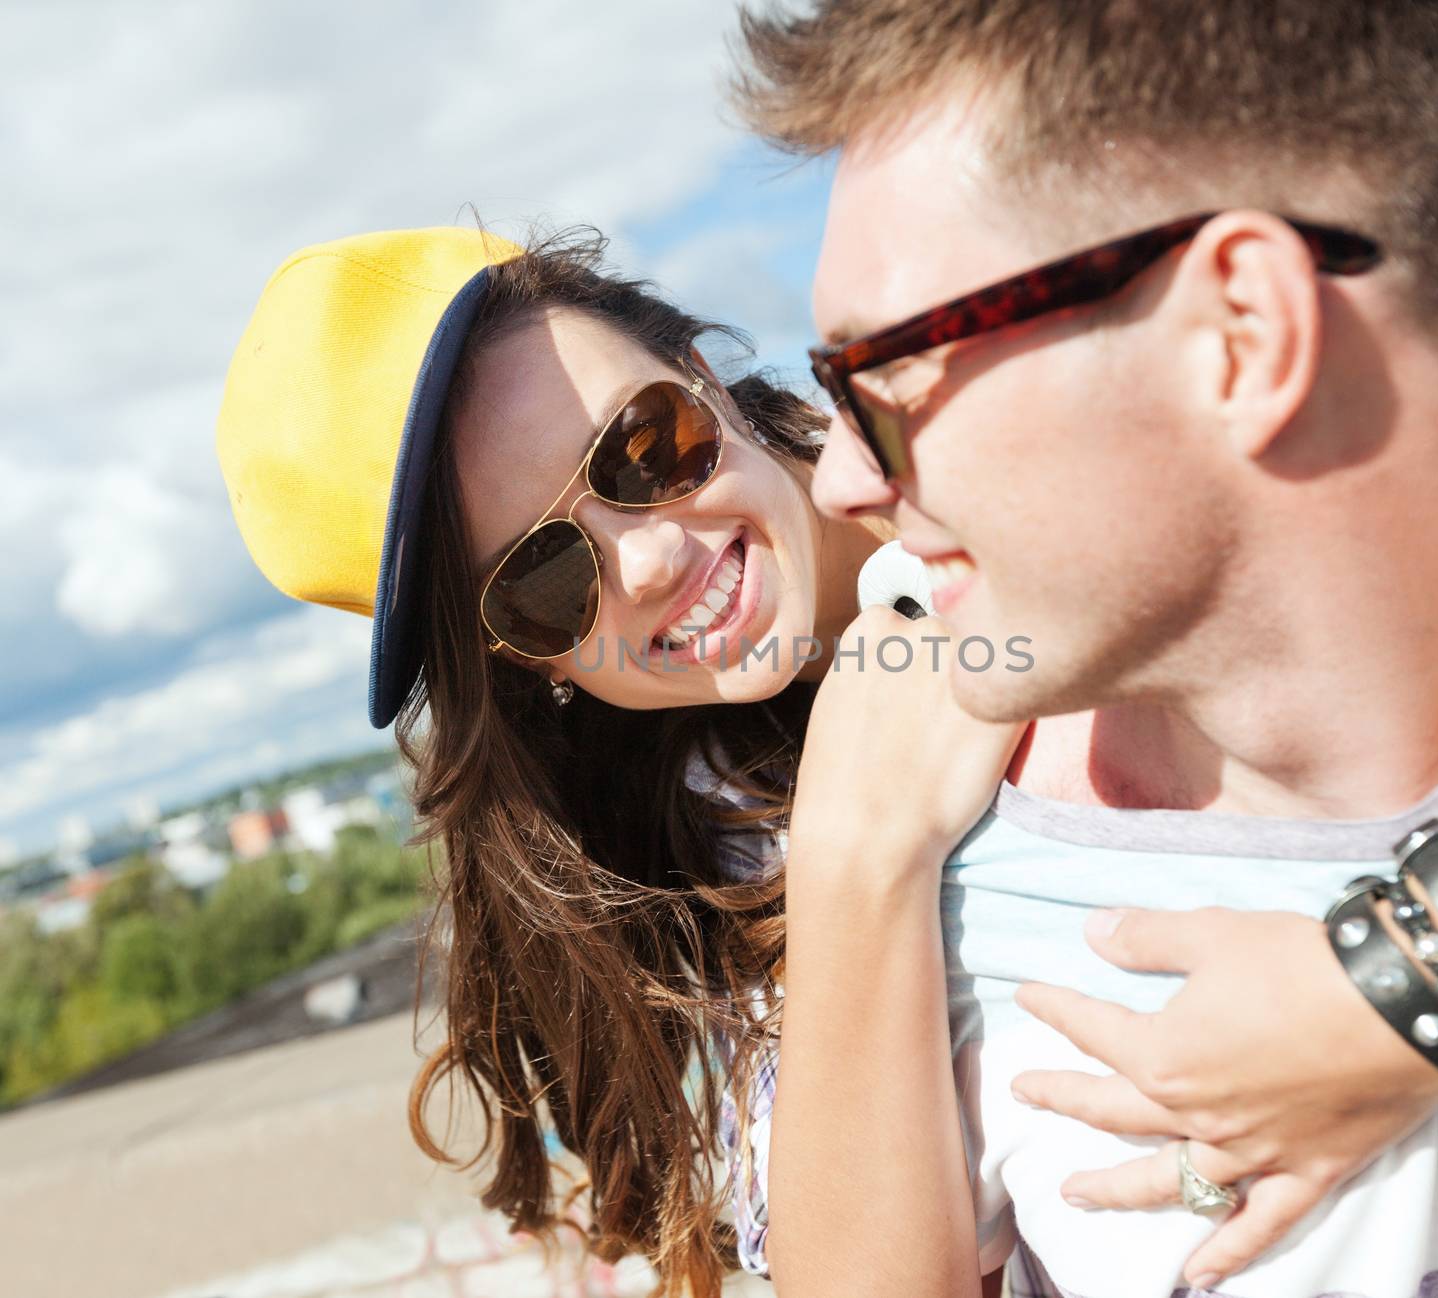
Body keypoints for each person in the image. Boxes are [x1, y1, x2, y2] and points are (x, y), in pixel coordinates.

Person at [729, 2, 1438, 1295]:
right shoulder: (965, 886)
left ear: (1242, 330)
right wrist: (850, 866)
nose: (845, 479)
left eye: (885, 382)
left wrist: (1416, 983)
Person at [214, 223, 968, 1298]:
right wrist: (861, 855)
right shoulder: (701, 852)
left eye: (642, 447)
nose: (652, 557)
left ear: (701, 374)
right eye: (544, 579)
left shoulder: (1000, 474)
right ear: (520, 658)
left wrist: (1310, 1000)